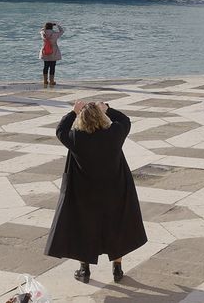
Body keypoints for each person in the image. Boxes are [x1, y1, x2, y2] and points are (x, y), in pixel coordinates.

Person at [46, 100, 147, 285]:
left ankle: (84, 269)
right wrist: (108, 109)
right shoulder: (114, 134)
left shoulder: (76, 138)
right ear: (102, 117)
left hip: (85, 193)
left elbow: (60, 130)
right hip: (113, 190)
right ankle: (117, 268)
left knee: (84, 227)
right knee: (116, 225)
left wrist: (73, 112)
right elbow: (125, 120)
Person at [41, 22, 65, 86]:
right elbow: (62, 31)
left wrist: (45, 27)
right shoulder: (55, 34)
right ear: (52, 27)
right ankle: (51, 81)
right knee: (52, 66)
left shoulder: (43, 33)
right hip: (53, 51)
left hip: (45, 51)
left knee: (45, 66)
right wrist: (57, 25)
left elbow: (42, 30)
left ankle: (45, 80)